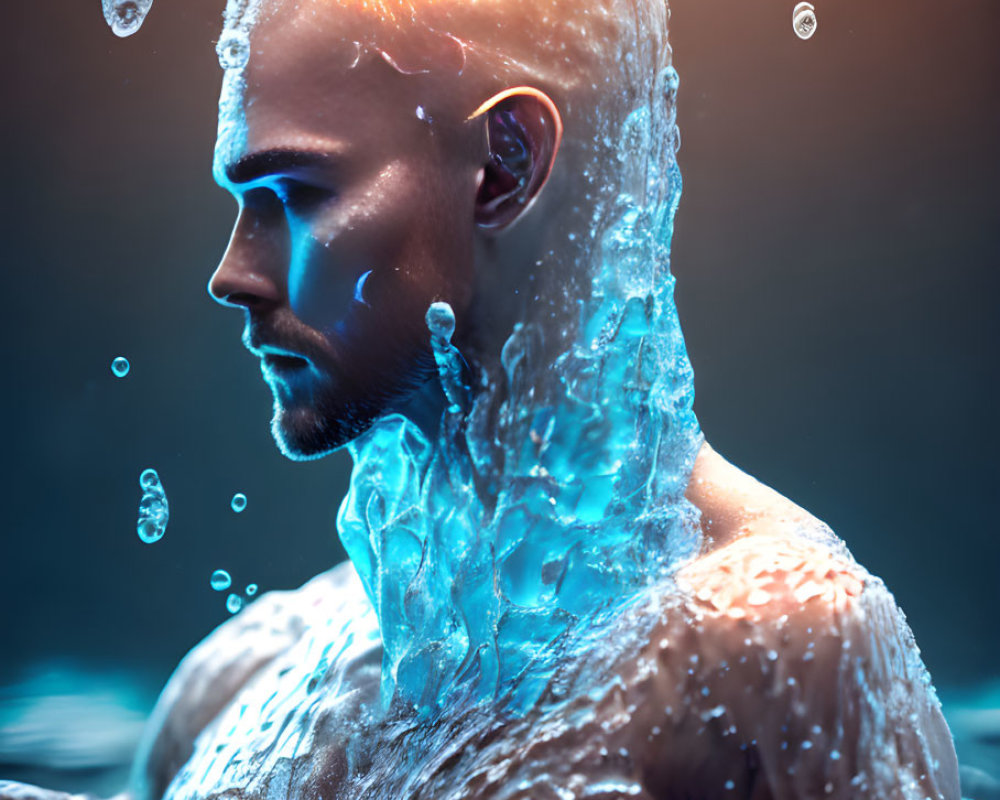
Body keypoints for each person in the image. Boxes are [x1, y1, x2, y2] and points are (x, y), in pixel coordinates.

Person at [0, 0, 961, 798]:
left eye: (294, 191)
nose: (231, 274)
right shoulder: (242, 677)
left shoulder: (779, 652)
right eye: (238, 202)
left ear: (503, 166)